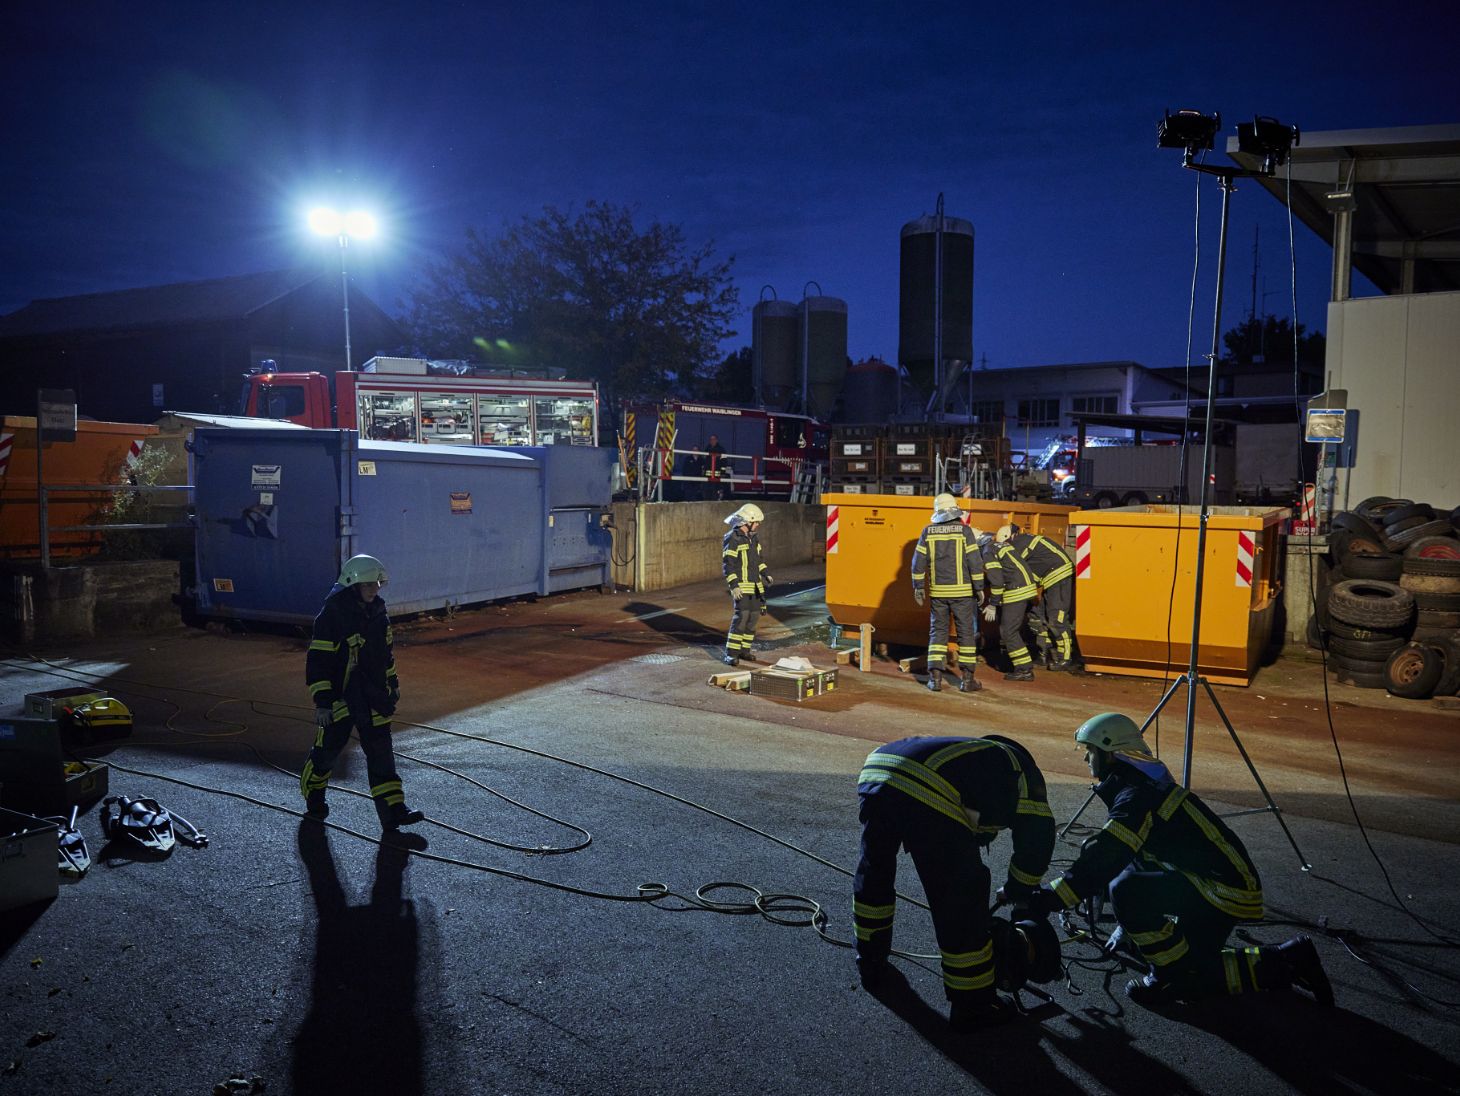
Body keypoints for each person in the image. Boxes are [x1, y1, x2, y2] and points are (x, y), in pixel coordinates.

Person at [1022, 712, 1333, 1007]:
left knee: (1127, 891)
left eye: (1089, 751)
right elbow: (1134, 853)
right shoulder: (1138, 787)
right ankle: (1291, 959)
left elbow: (1105, 858)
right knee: (1189, 964)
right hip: (1215, 881)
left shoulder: (1135, 797)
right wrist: (1127, 927)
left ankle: (1170, 977)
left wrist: (1049, 897)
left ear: (1110, 752)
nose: (1084, 758)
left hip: (1221, 889)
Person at [853, 735, 1055, 1031]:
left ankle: (870, 959)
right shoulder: (1024, 773)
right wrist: (1019, 889)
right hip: (927, 785)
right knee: (962, 897)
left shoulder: (974, 759)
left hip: (876, 771)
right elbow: (1037, 839)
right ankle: (973, 1004)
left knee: (874, 874)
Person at [299, 554, 425, 831]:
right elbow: (318, 662)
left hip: (372, 697)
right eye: (368, 584)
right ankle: (313, 792)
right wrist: (323, 703)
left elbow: (386, 658)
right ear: (352, 585)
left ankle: (394, 810)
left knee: (382, 755)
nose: (374, 589)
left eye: (377, 583)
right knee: (327, 753)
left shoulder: (379, 614)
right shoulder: (331, 616)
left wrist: (392, 688)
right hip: (341, 699)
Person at [910, 492, 985, 693]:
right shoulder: (965, 531)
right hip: (962, 593)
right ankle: (967, 680)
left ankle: (934, 679)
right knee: (966, 634)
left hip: (938, 593)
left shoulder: (928, 531)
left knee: (938, 632)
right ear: (954, 509)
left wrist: (918, 587)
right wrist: (979, 588)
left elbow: (918, 562)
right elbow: (974, 562)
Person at [1009, 528, 1077, 671]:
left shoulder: (1018, 545)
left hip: (1059, 575)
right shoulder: (1021, 541)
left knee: (1056, 619)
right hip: (1050, 577)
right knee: (1037, 615)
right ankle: (1043, 653)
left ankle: (1065, 658)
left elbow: (1014, 570)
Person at [982, 524, 1040, 681]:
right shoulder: (1004, 547)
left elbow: (997, 580)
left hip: (1016, 591)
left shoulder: (988, 551)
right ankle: (1024, 665)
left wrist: (993, 604)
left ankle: (1024, 669)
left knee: (1008, 631)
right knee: (1013, 629)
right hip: (1026, 588)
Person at [721, 503, 772, 666]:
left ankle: (744, 651)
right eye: (756, 522)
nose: (758, 525)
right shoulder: (733, 538)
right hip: (742, 587)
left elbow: (759, 560)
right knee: (741, 619)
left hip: (756, 586)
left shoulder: (753, 538)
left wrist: (765, 574)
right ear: (746, 522)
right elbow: (728, 564)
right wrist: (734, 586)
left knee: (753, 619)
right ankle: (731, 654)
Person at [705, 434, 728, 499]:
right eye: (711, 439)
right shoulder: (707, 449)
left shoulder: (721, 450)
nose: (712, 441)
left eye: (714, 439)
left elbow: (724, 462)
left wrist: (723, 473)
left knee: (716, 492)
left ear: (716, 440)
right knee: (708, 492)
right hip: (708, 476)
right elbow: (705, 462)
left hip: (717, 475)